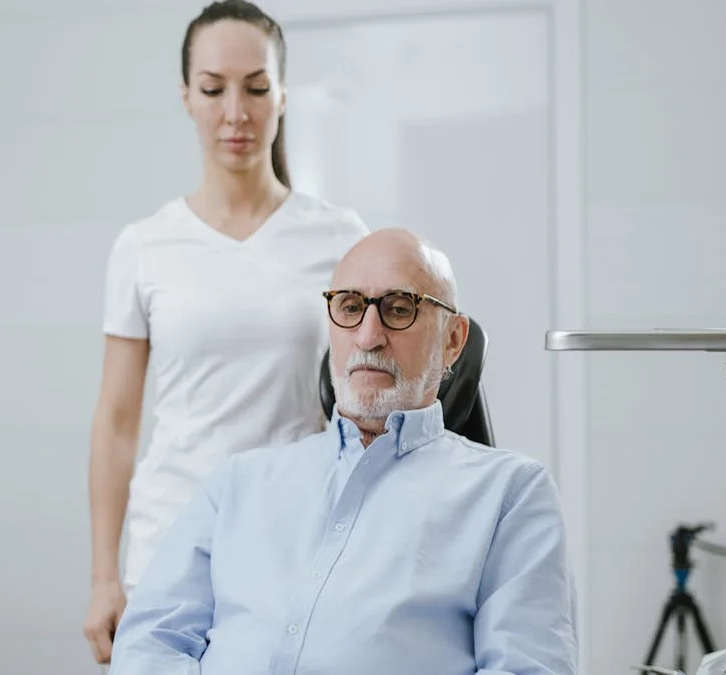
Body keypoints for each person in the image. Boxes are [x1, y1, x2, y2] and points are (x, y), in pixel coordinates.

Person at [107, 228, 579, 675]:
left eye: (398, 309)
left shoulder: (510, 495)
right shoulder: (239, 483)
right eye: (350, 307)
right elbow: (151, 641)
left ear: (453, 340)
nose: (368, 336)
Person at [83, 0, 370, 665]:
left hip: (296, 540)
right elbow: (117, 421)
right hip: (170, 542)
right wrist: (103, 576)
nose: (236, 113)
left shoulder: (338, 236)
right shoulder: (144, 245)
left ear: (284, 94)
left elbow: (367, 407)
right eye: (213, 89)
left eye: (256, 87)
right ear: (186, 96)